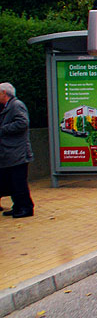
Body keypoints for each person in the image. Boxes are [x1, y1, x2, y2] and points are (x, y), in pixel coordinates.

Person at [0, 82, 34, 218]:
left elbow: (23, 123)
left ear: (4, 93)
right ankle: (18, 206)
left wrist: (3, 130)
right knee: (12, 181)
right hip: (9, 152)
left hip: (18, 152)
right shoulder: (6, 107)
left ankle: (26, 207)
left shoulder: (16, 105)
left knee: (19, 181)